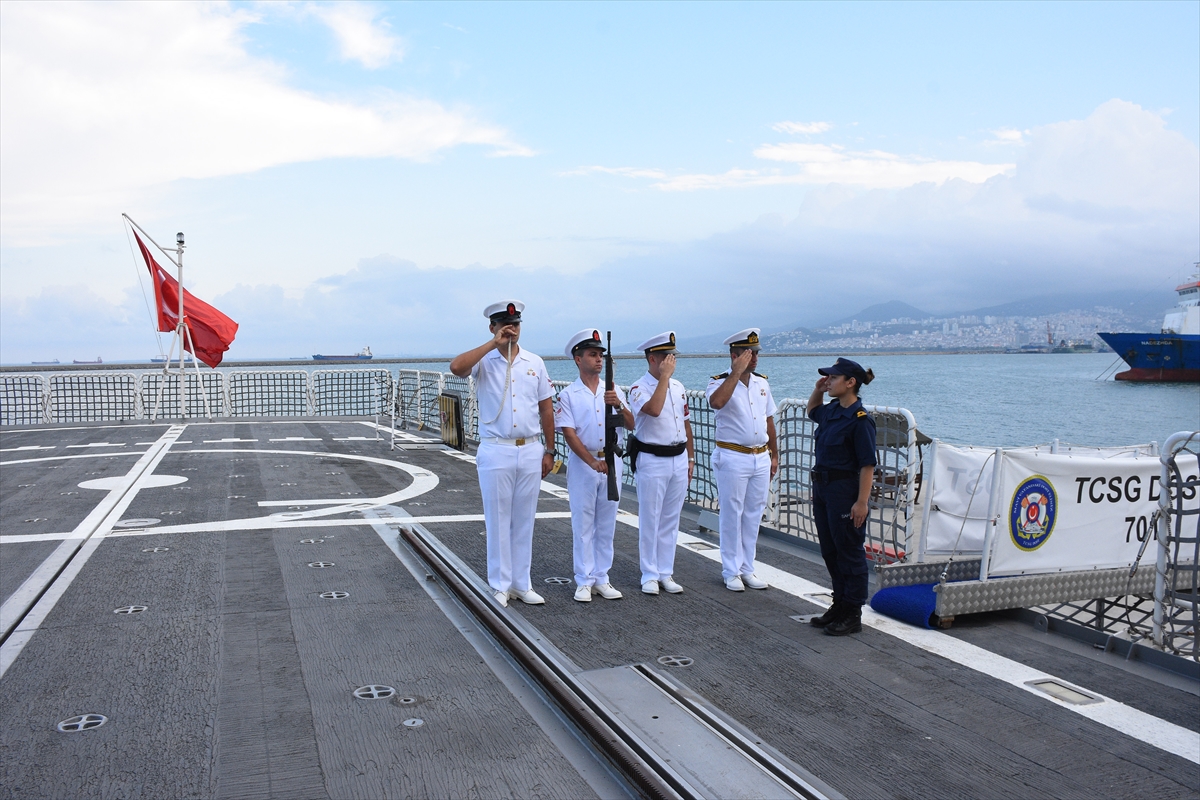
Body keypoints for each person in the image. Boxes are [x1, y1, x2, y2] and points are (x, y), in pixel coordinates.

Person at [450, 300, 555, 608]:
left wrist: (550, 449)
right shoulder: (483, 361)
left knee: (525, 520)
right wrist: (493, 345)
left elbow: (546, 407)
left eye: (516, 325)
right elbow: (456, 368)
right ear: (493, 327)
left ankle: (522, 583)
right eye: (504, 325)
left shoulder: (534, 362)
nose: (512, 330)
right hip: (497, 450)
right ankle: (500, 584)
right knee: (498, 520)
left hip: (530, 447)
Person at [555, 329, 635, 602]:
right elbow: (569, 433)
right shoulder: (568, 395)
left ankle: (602, 577)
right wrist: (591, 462)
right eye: (592, 354)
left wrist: (620, 406)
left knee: (607, 522)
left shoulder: (614, 390)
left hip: (612, 459)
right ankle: (584, 579)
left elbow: (633, 424)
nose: (599, 359)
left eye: (600, 355)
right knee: (583, 522)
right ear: (578, 359)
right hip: (583, 463)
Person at [806, 357, 877, 635]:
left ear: (851, 383)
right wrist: (818, 389)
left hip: (845, 492)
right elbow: (813, 411)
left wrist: (861, 502)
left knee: (849, 551)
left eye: (834, 378)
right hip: (823, 489)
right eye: (828, 377)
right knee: (830, 549)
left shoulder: (860, 420)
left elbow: (867, 465)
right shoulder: (833, 411)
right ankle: (839, 603)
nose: (829, 381)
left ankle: (853, 612)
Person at [706, 329, 778, 592]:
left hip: (759, 456)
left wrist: (775, 454)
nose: (754, 358)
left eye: (756, 352)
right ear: (735, 356)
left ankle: (748, 568)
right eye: (749, 353)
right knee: (731, 514)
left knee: (753, 514)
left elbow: (768, 419)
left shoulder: (762, 384)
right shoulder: (718, 382)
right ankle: (730, 570)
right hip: (732, 455)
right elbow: (717, 402)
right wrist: (736, 373)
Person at [627, 331, 695, 595]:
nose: (672, 361)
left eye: (673, 356)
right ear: (652, 359)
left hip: (677, 457)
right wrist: (664, 378)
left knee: (670, 518)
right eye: (667, 357)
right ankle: (649, 573)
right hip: (652, 459)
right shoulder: (638, 388)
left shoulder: (678, 387)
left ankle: (665, 571)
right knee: (650, 518)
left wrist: (690, 457)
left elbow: (686, 424)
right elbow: (654, 410)